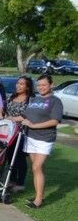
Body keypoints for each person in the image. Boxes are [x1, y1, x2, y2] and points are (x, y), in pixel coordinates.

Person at [20, 74, 63, 209]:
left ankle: (38, 200)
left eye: (44, 85)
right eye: (39, 85)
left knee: (36, 167)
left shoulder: (55, 101)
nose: (41, 87)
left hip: (45, 138)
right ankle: (40, 194)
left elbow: (54, 121)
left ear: (51, 85)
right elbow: (24, 116)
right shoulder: (34, 99)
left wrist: (33, 125)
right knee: (38, 169)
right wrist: (5, 119)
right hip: (30, 137)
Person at [5, 76, 34, 191]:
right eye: (18, 83)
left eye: (22, 84)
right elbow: (5, 111)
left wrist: (11, 119)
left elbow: (27, 115)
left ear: (27, 87)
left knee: (20, 158)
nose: (18, 86)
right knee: (10, 156)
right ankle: (11, 180)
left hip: (22, 132)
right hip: (9, 132)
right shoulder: (11, 97)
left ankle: (20, 183)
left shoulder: (31, 99)